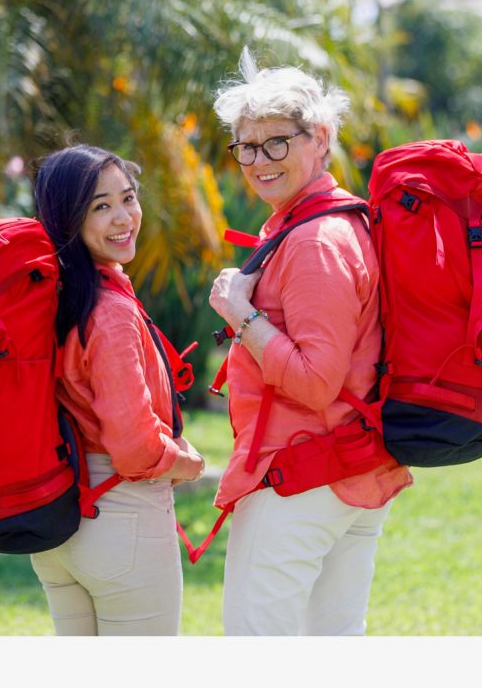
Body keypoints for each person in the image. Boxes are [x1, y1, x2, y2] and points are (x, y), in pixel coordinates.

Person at [208, 51, 412, 635]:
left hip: (299, 478)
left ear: (319, 138)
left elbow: (317, 381)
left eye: (277, 142)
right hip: (344, 468)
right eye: (246, 146)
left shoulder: (315, 241)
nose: (258, 161)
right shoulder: (325, 224)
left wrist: (240, 315)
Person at [29, 145, 206, 636]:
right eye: (100, 206)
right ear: (68, 220)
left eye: (128, 198)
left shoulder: (50, 299)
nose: (123, 217)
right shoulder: (110, 313)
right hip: (122, 521)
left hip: (59, 527)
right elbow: (133, 447)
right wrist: (189, 463)